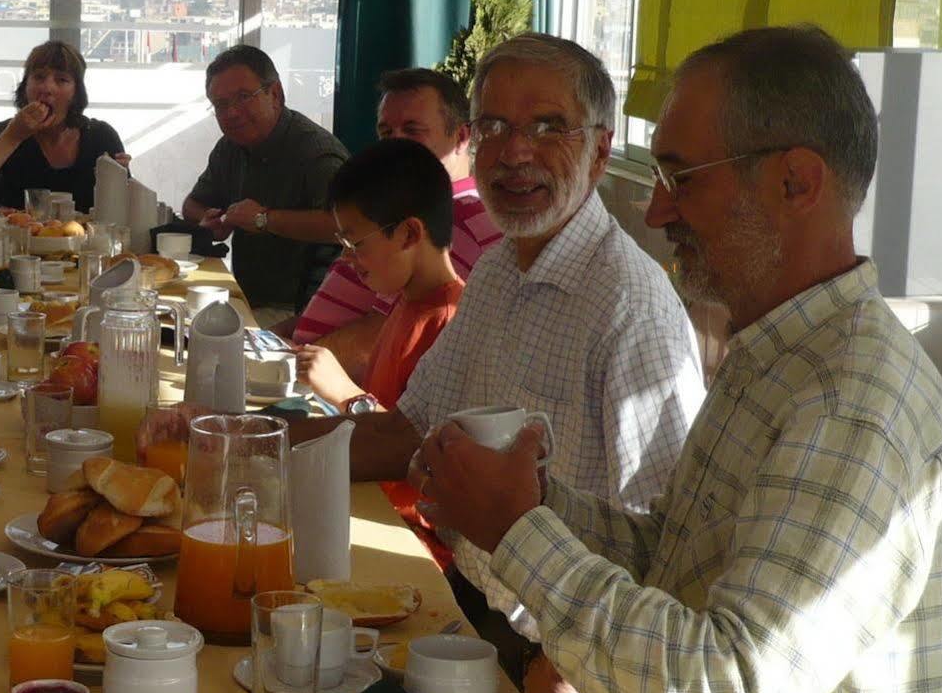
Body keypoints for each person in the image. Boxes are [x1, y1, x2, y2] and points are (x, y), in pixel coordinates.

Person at [417, 25, 942, 693]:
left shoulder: (852, 403)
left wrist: (521, 534)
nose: (660, 211)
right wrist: (535, 506)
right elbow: (674, 557)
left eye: (681, 177)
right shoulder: (776, 352)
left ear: (794, 181)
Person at [294, 36, 702, 514]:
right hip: (463, 577)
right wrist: (240, 438)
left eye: (548, 127)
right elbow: (409, 430)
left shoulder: (632, 312)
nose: (514, 153)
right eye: (494, 125)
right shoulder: (497, 271)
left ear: (600, 150)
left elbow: (656, 536)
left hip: (524, 589)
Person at [290, 67, 502, 367]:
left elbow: (381, 338)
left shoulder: (459, 223)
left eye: (412, 130)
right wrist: (270, 341)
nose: (395, 144)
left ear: (462, 136)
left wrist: (286, 362)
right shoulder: (402, 210)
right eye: (386, 133)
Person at [292, 138, 465, 412]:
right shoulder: (405, 301)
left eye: (356, 244)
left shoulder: (450, 328)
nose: (346, 258)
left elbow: (416, 443)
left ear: (409, 234)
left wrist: (344, 392)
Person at [180, 44, 348, 323]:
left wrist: (263, 219)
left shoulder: (316, 152)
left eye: (244, 97)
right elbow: (192, 205)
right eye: (221, 105)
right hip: (243, 296)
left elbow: (342, 226)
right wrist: (211, 220)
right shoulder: (230, 146)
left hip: (299, 312)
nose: (232, 113)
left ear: (276, 94)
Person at [0, 40, 127, 211]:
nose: (47, 88)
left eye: (61, 80)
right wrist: (13, 137)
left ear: (76, 92)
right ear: (25, 87)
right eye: (39, 77)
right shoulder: (3, 133)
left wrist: (122, 181)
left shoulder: (101, 137)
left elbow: (124, 210)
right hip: (17, 240)